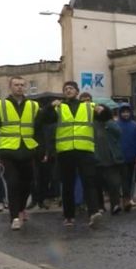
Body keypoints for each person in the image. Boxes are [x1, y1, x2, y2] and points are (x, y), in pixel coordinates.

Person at [0, 76, 42, 231]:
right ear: (10, 87)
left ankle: (20, 208)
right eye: (16, 85)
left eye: (22, 85)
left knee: (28, 183)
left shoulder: (33, 106)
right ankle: (14, 217)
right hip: (8, 151)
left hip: (27, 150)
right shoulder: (1, 105)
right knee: (12, 184)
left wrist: (42, 149)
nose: (19, 87)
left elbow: (39, 130)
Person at [42, 81, 108, 228]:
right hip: (65, 151)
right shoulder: (59, 108)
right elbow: (43, 119)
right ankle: (69, 216)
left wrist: (102, 109)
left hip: (85, 150)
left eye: (71, 88)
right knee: (67, 185)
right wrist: (50, 106)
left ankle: (93, 213)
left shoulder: (88, 106)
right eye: (65, 89)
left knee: (89, 182)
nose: (68, 90)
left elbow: (106, 116)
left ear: (77, 91)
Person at [117, 103, 136, 212]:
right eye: (123, 112)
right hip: (120, 156)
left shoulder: (135, 125)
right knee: (124, 179)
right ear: (120, 113)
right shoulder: (116, 125)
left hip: (132, 156)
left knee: (130, 179)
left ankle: (127, 198)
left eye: (127, 112)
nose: (125, 114)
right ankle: (126, 199)